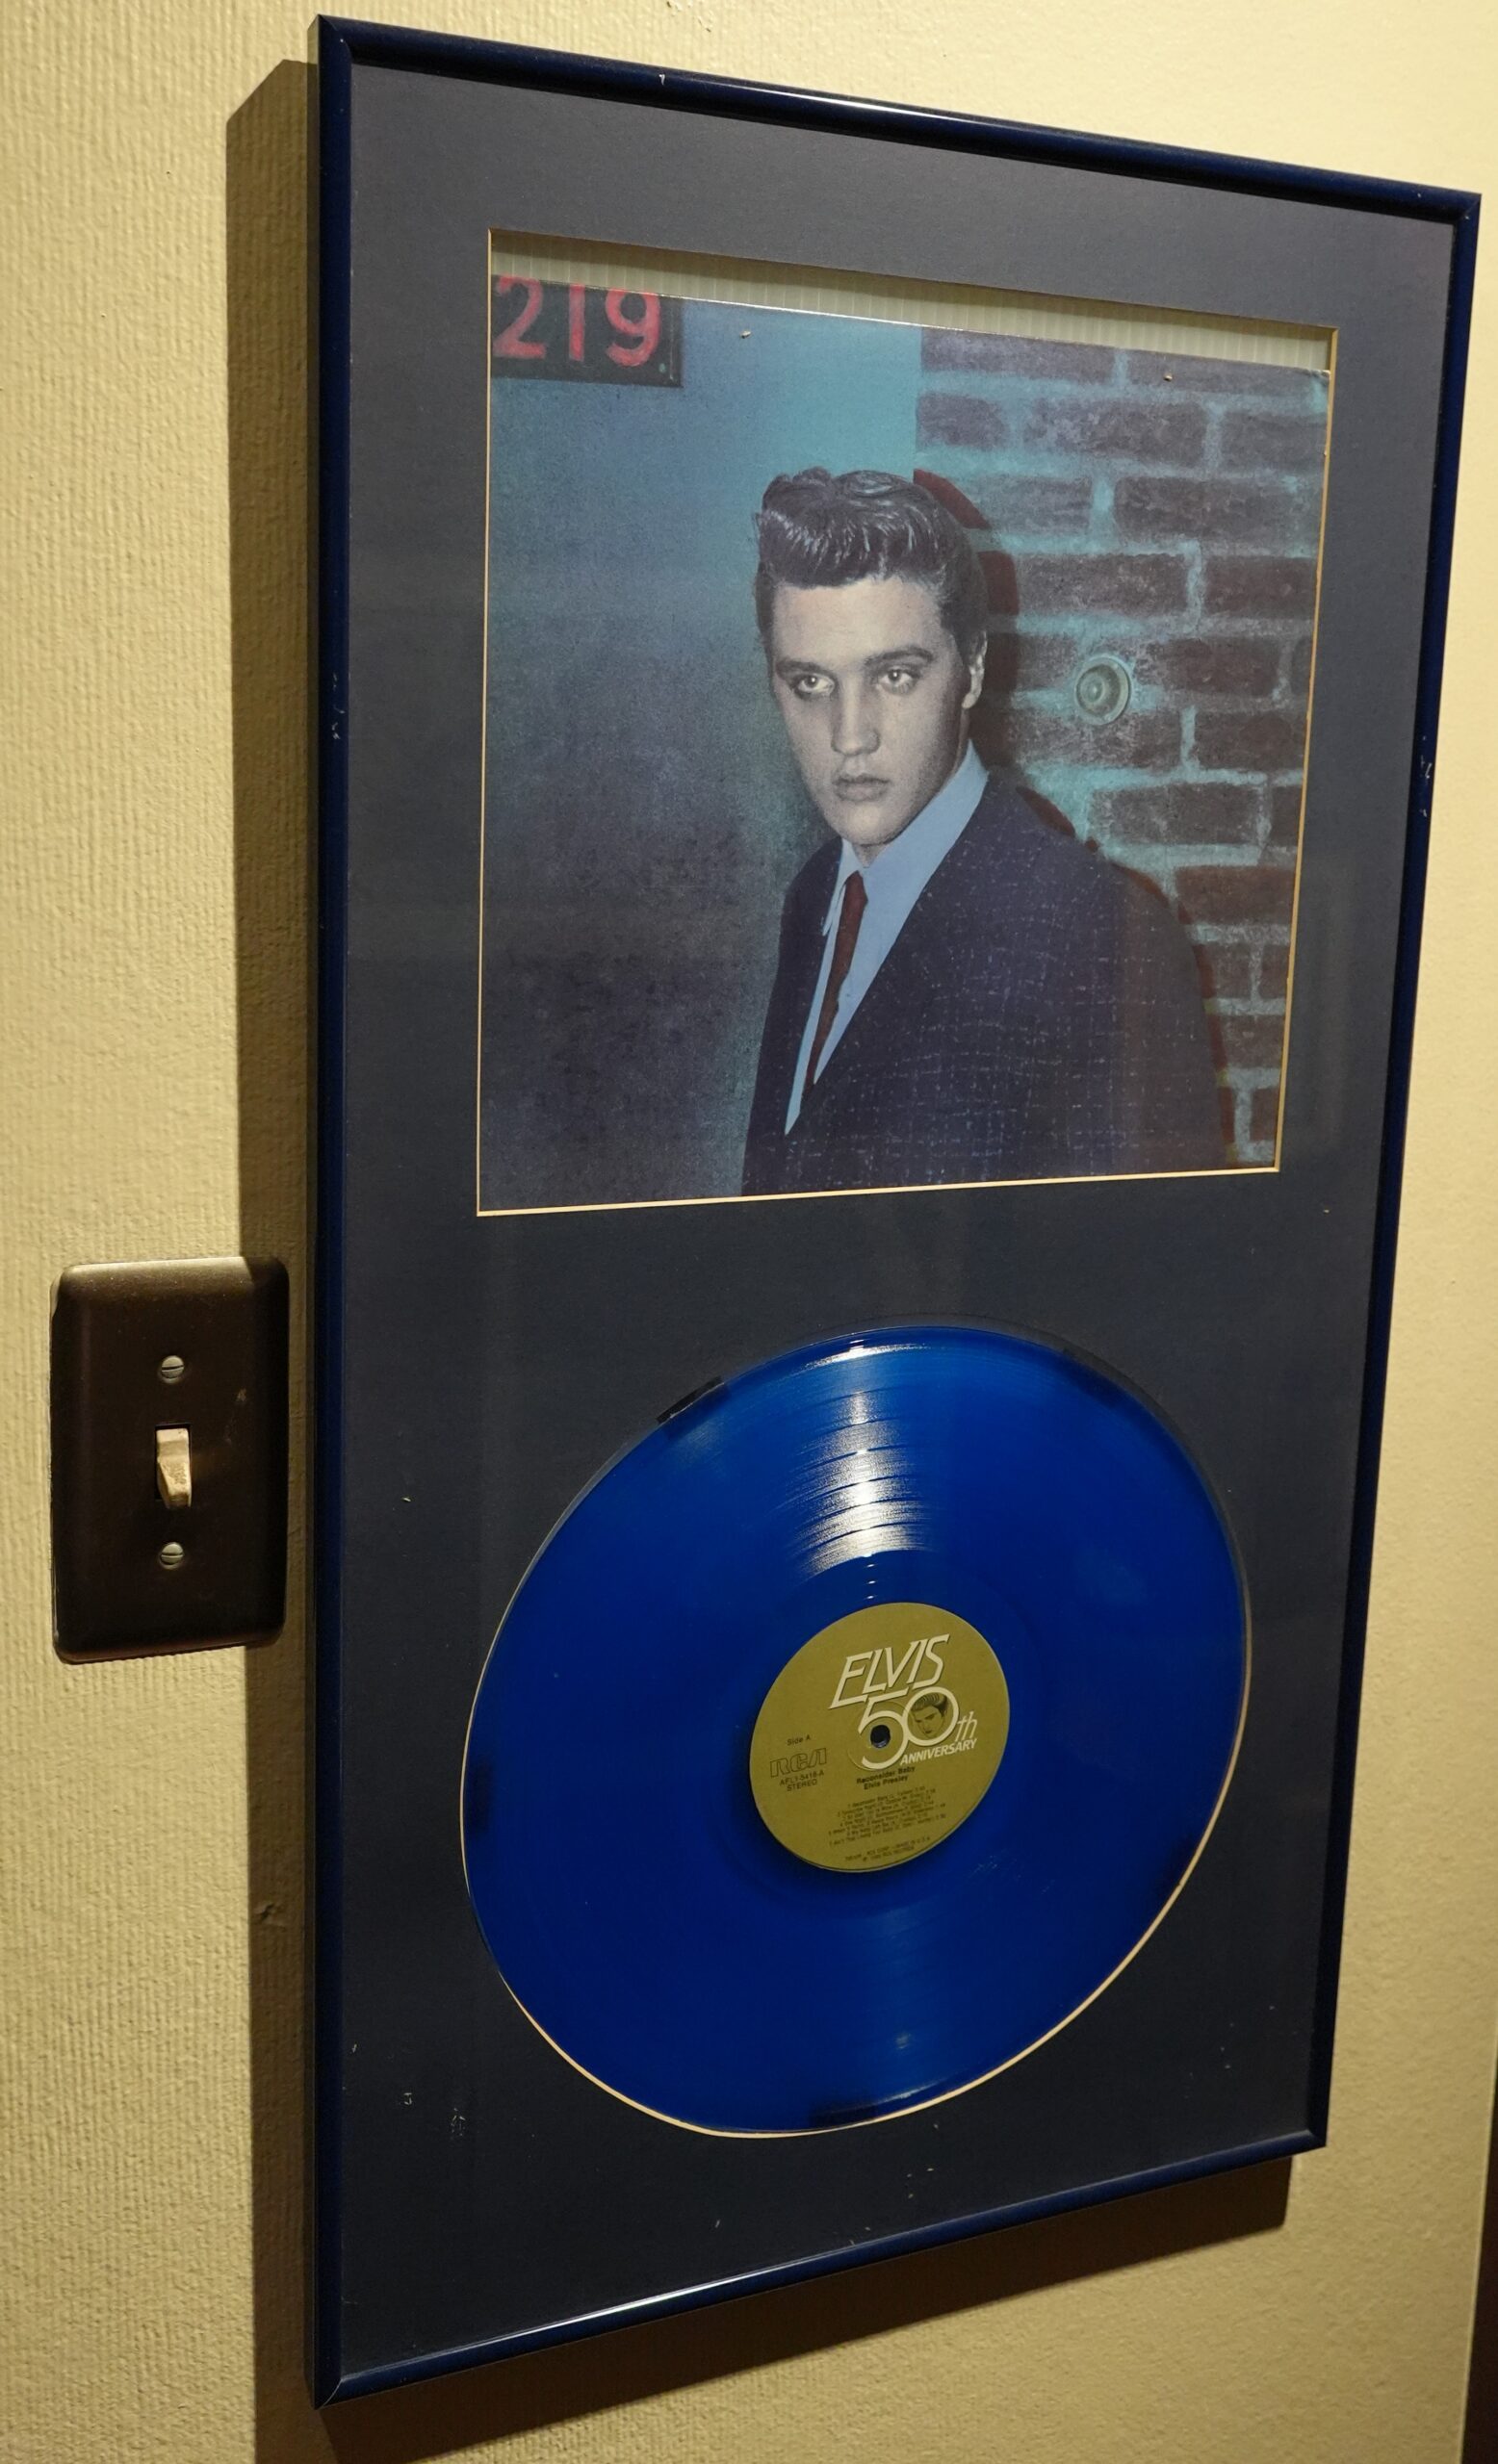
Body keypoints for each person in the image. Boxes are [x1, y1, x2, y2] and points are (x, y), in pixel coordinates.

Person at [740, 467, 1225, 1198]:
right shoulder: (815, 895)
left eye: (895, 676)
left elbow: (1145, 1258)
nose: (849, 736)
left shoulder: (1102, 939)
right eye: (811, 683)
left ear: (970, 670)